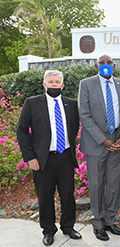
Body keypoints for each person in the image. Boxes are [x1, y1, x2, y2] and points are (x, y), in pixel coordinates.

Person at [16, 70, 81, 246]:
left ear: (62, 85)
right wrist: (30, 157)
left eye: (57, 82)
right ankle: (48, 230)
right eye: (50, 82)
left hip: (65, 156)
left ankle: (68, 227)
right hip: (43, 159)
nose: (54, 85)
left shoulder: (71, 104)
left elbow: (74, 128)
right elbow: (21, 130)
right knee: (45, 196)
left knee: (68, 194)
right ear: (44, 85)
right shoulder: (32, 103)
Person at [78, 54, 120, 241]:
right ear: (96, 66)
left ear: (114, 65)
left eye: (109, 63)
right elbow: (84, 115)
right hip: (96, 144)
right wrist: (103, 140)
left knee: (114, 184)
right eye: (102, 63)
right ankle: (98, 223)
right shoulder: (86, 84)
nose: (105, 65)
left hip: (117, 142)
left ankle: (110, 220)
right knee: (97, 184)